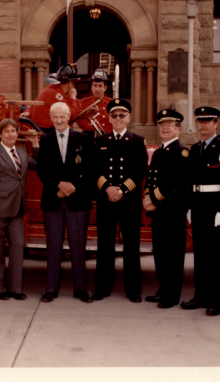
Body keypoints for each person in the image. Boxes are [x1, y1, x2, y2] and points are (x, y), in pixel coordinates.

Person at [37, 102, 93, 303]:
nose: (59, 120)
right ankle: (51, 288)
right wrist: (59, 185)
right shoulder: (46, 140)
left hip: (77, 200)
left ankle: (80, 289)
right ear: (51, 118)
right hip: (53, 199)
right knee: (53, 245)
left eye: (62, 116)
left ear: (69, 116)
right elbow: (42, 170)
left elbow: (89, 169)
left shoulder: (84, 139)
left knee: (78, 246)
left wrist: (70, 187)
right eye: (55, 117)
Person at [181, 107, 220, 316]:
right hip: (198, 206)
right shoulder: (195, 149)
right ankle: (200, 295)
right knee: (200, 255)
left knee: (215, 256)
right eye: (200, 121)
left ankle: (215, 301)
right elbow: (190, 181)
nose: (203, 124)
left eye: (208, 121)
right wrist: (188, 207)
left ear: (216, 124)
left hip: (215, 208)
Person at [93, 98, 147, 302]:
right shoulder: (100, 141)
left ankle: (133, 290)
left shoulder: (137, 141)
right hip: (107, 199)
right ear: (109, 118)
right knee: (104, 245)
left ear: (128, 118)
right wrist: (107, 188)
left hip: (128, 201)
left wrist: (122, 190)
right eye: (114, 115)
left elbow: (140, 170)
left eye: (122, 115)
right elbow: (94, 170)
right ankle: (102, 288)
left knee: (131, 246)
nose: (118, 119)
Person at [0, 119, 39, 300]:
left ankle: (15, 288)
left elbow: (37, 165)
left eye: (14, 131)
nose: (11, 134)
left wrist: (35, 144)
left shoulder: (21, 151)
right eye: (7, 131)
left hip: (17, 209)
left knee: (18, 247)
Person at [142, 109, 190, 309]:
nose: (165, 128)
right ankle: (164, 288)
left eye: (169, 125)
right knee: (160, 253)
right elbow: (151, 178)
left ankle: (172, 295)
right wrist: (146, 195)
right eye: (162, 125)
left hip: (172, 211)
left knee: (173, 255)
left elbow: (175, 183)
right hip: (158, 211)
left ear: (178, 129)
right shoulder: (160, 151)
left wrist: (152, 198)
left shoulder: (181, 151)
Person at [20, 64, 82, 133]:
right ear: (70, 83)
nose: (74, 86)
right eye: (74, 83)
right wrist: (73, 97)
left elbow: (78, 109)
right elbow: (72, 116)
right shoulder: (56, 94)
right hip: (46, 131)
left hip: (50, 129)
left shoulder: (56, 90)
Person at [76, 67, 114, 136]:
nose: (97, 89)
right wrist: (93, 128)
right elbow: (78, 119)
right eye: (95, 85)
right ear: (91, 87)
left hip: (109, 137)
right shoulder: (84, 102)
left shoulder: (112, 103)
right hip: (91, 137)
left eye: (100, 86)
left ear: (105, 88)